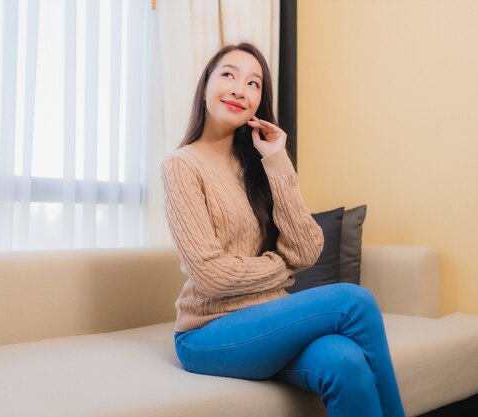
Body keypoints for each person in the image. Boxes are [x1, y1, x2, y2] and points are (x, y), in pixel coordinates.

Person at [160, 42, 406, 417]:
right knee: (354, 301)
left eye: (254, 83)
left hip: (269, 324)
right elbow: (211, 276)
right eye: (228, 74)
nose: (241, 89)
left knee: (346, 360)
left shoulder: (259, 165)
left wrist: (277, 160)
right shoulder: (181, 165)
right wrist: (281, 266)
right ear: (205, 84)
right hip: (209, 334)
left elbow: (307, 250)